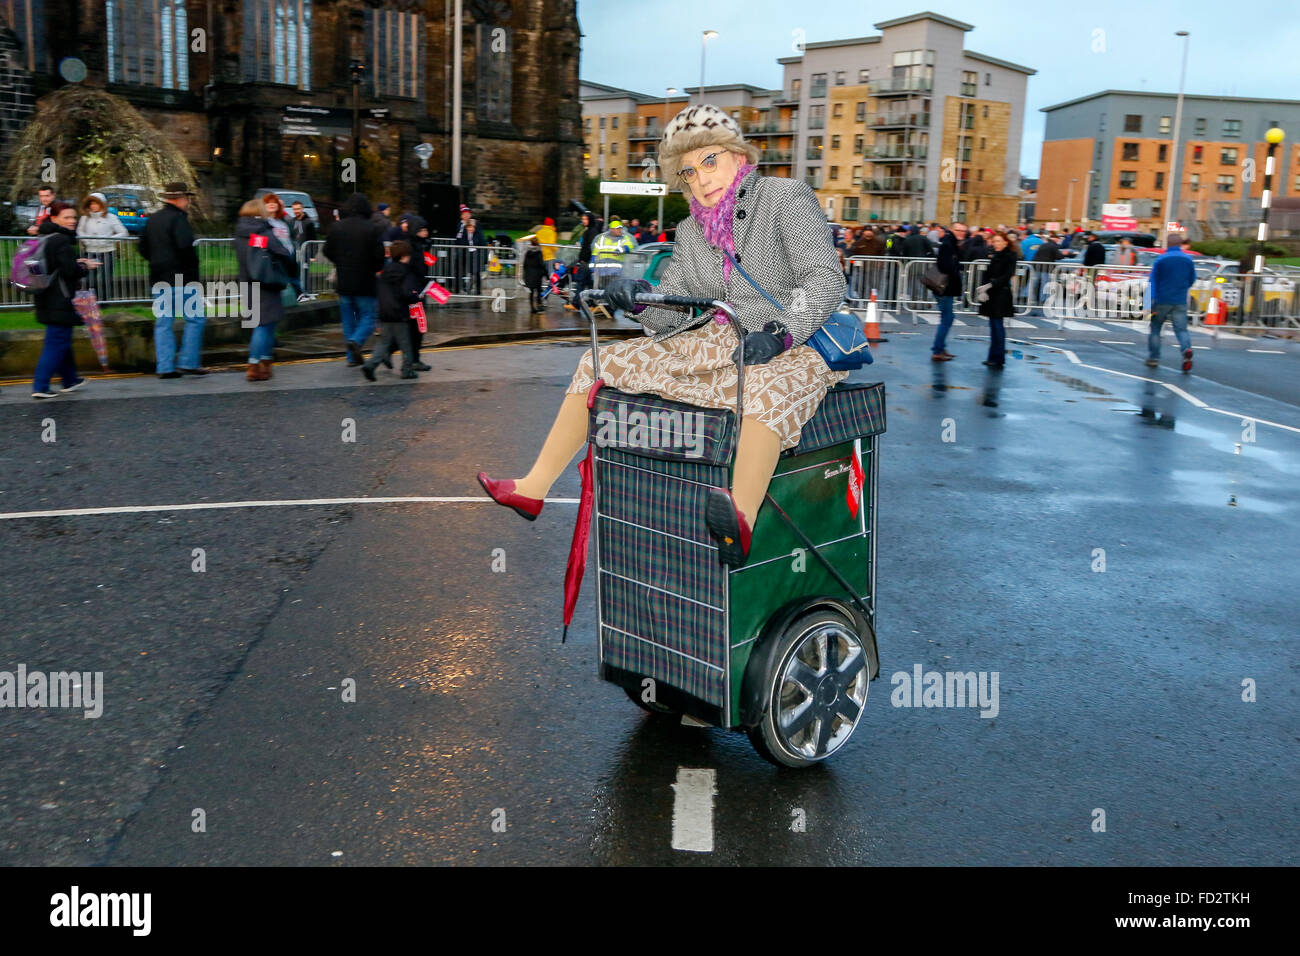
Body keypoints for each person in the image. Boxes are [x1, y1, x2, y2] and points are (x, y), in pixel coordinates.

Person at [476, 103, 848, 568]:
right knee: (598, 363)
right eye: (689, 172)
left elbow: (826, 281)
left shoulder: (785, 197)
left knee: (765, 387)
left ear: (737, 155)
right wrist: (641, 299)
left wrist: (782, 333)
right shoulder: (692, 230)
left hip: (791, 341)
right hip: (717, 341)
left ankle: (742, 519)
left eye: (709, 161)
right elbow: (676, 306)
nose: (701, 178)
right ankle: (534, 487)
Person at [30, 202, 99, 399]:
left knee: (62, 339)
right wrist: (85, 267)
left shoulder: (43, 238)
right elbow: (70, 271)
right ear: (54, 218)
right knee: (56, 342)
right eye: (66, 217)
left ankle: (70, 380)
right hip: (60, 298)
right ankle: (40, 386)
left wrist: (75, 262)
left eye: (73, 217)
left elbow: (51, 266)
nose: (72, 221)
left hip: (44, 295)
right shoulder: (61, 240)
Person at [138, 181, 207, 378]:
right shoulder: (179, 219)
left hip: (159, 277)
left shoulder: (153, 220)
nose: (188, 202)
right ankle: (188, 362)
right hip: (182, 277)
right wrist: (193, 266)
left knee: (164, 322)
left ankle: (165, 367)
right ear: (180, 199)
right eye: (186, 198)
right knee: (195, 320)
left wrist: (157, 261)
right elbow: (185, 247)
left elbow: (142, 247)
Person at [234, 198, 296, 381]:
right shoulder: (262, 232)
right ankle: (254, 365)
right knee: (264, 326)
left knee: (265, 324)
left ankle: (265, 363)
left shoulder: (239, 234)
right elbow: (283, 253)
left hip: (247, 283)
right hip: (266, 284)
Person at [323, 193, 385, 366]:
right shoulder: (372, 228)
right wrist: (374, 268)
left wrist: (340, 262)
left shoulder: (337, 227)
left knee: (348, 320)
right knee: (369, 317)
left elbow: (327, 250)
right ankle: (356, 342)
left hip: (343, 281)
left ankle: (351, 358)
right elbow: (379, 256)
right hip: (365, 281)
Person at [362, 240, 425, 382]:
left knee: (384, 342)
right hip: (399, 312)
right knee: (406, 343)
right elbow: (406, 293)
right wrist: (417, 297)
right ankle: (407, 370)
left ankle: (370, 365)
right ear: (404, 256)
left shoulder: (385, 272)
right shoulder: (406, 272)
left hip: (384, 312)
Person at [1146, 233, 1196, 371]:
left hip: (1161, 300)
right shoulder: (1188, 260)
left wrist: (1147, 304)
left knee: (1155, 329)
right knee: (1181, 330)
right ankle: (1186, 350)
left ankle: (1154, 358)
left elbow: (1152, 282)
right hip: (1180, 300)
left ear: (1167, 244)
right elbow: (1192, 279)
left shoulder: (1161, 260)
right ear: (1180, 244)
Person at [76, 192, 128, 301]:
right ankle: (91, 301)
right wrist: (87, 240)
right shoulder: (85, 218)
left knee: (106, 278)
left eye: (96, 203)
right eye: (91, 203)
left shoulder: (111, 217)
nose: (93, 206)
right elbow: (80, 231)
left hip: (107, 251)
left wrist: (108, 240)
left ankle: (105, 301)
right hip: (90, 251)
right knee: (90, 278)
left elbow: (123, 232)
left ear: (102, 204)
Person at [977, 230, 1016, 368]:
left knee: (997, 326)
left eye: (999, 241)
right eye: (994, 241)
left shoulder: (1010, 256)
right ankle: (993, 357)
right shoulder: (995, 255)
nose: (996, 244)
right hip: (993, 293)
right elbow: (988, 273)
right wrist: (984, 288)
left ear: (1005, 242)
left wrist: (991, 284)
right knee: (993, 326)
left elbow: (1007, 275)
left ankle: (998, 358)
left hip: (1001, 294)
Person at [259, 193, 306, 298]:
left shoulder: (283, 221)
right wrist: (269, 248)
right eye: (268, 203)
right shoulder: (261, 222)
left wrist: (291, 251)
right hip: (272, 259)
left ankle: (298, 295)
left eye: (274, 202)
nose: (271, 204)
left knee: (290, 278)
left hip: (288, 257)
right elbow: (254, 240)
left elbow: (291, 237)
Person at [930, 224, 963, 362]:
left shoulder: (950, 243)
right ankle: (937, 350)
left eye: (963, 231)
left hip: (944, 287)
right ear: (952, 230)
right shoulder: (948, 244)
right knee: (947, 318)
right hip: (945, 288)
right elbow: (946, 266)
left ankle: (940, 347)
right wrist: (956, 274)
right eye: (959, 230)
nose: (962, 233)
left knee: (947, 318)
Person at [589, 219, 637, 287]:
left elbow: (630, 245)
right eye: (618, 228)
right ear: (612, 229)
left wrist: (621, 250)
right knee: (601, 293)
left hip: (616, 272)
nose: (620, 230)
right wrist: (592, 270)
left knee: (613, 292)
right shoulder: (601, 239)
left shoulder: (624, 238)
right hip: (601, 272)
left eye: (620, 228)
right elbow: (594, 254)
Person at [567, 211, 597, 310]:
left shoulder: (591, 232)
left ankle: (576, 304)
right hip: (585, 261)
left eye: (585, 219)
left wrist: (584, 258)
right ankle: (592, 304)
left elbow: (590, 248)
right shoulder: (589, 231)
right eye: (582, 219)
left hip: (587, 262)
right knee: (588, 284)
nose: (583, 221)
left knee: (581, 283)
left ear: (590, 220)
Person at [1030, 232, 1063, 305]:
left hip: (1036, 266)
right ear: (1056, 239)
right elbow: (1059, 256)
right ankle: (1043, 300)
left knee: (1034, 283)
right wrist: (1066, 254)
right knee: (1044, 284)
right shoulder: (1054, 246)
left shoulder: (1043, 244)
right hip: (1045, 267)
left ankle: (1028, 298)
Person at [456, 217, 486, 294]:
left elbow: (482, 243)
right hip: (468, 254)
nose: (470, 229)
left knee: (477, 272)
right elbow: (461, 242)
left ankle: (477, 290)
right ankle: (468, 288)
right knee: (471, 272)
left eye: (472, 227)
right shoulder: (464, 233)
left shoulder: (478, 234)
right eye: (469, 227)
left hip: (477, 254)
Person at [522, 237, 547, 313]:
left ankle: (532, 308)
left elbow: (525, 264)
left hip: (529, 275)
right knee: (538, 291)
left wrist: (525, 275)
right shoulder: (539, 252)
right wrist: (546, 274)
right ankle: (539, 306)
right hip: (537, 275)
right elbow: (542, 264)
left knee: (531, 292)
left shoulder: (527, 252)